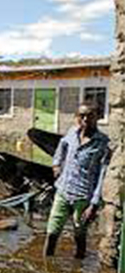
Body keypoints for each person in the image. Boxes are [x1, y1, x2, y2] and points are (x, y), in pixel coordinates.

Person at [43, 101, 111, 259]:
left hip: (83, 198)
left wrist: (94, 204)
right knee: (51, 233)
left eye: (90, 116)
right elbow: (62, 145)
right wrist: (56, 165)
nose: (85, 119)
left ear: (97, 118)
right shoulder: (72, 133)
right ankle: (47, 270)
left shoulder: (102, 143)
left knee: (79, 235)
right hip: (63, 192)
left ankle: (78, 267)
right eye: (82, 116)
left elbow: (103, 174)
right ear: (76, 118)